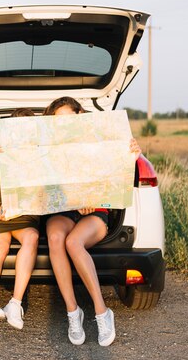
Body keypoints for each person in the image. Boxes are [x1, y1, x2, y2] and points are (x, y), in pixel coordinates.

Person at [43, 96, 141, 346]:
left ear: (79, 114)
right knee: (56, 238)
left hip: (95, 208)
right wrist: (3, 156)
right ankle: (73, 312)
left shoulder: (99, 141)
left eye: (68, 118)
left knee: (74, 243)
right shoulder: (48, 149)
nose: (64, 125)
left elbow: (117, 172)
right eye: (59, 121)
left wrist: (131, 155)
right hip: (64, 209)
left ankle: (101, 311)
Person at [0, 108, 40, 330]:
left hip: (26, 215)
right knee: (1, 245)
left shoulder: (40, 157)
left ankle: (15, 303)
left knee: (32, 238)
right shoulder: (0, 155)